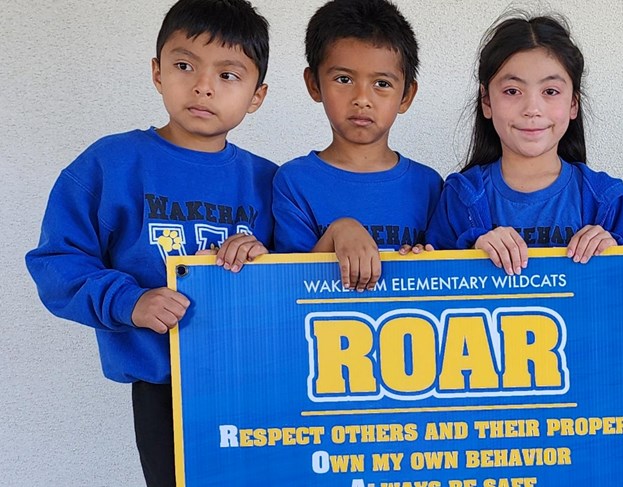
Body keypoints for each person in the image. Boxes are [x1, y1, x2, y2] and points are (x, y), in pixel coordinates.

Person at [25, 1, 274, 485]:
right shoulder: (110, 164)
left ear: (257, 95)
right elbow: (56, 263)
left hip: (259, 381)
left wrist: (265, 260)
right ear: (157, 72)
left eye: (228, 74)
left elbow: (300, 274)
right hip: (163, 386)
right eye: (185, 66)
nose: (203, 85)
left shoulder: (268, 181)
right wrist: (129, 301)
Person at [425, 14, 623, 274]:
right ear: (486, 102)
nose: (532, 109)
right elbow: (430, 289)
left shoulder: (605, 199)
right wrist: (471, 253)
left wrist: (617, 253)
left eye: (550, 91)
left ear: (573, 103)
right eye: (512, 91)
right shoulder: (461, 197)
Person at [273, 0, 442, 292]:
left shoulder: (429, 186)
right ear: (314, 84)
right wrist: (339, 231)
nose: (362, 98)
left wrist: (425, 263)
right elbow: (290, 291)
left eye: (382, 84)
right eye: (344, 79)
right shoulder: (293, 182)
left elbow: (449, 278)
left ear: (406, 95)